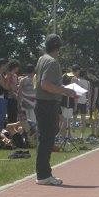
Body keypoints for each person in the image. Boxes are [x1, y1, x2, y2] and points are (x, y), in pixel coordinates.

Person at [34, 34, 77, 185]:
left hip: (42, 103)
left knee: (44, 139)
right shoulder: (52, 62)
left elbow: (44, 83)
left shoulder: (42, 59)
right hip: (47, 104)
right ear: (58, 47)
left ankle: (42, 173)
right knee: (47, 139)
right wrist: (66, 91)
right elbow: (45, 84)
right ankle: (44, 175)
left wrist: (63, 89)